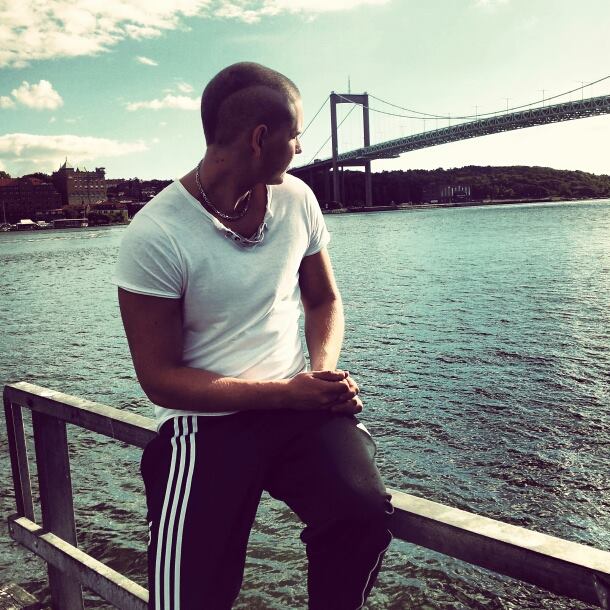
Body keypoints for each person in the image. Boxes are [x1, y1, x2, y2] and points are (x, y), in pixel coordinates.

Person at [114, 62, 393, 610]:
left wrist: (320, 376)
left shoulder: (297, 199)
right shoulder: (156, 234)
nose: (301, 147)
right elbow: (160, 379)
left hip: (297, 408)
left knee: (361, 513)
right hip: (205, 424)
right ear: (260, 139)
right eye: (295, 135)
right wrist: (285, 394)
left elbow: (324, 300)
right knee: (187, 598)